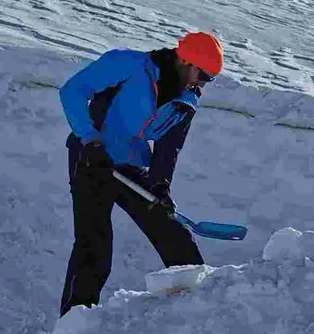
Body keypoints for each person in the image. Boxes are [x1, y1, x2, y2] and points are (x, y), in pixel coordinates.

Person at [57, 32, 223, 315]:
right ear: (184, 59)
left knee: (173, 233)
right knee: (94, 245)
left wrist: (160, 184)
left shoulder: (187, 99)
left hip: (129, 166)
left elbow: (169, 146)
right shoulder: (129, 65)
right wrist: (90, 138)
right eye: (202, 75)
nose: (201, 84)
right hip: (91, 158)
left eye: (209, 79)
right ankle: (73, 325)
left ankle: (201, 308)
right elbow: (72, 91)